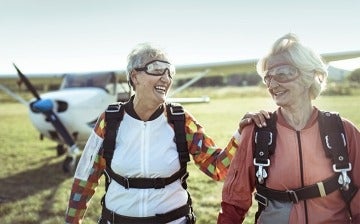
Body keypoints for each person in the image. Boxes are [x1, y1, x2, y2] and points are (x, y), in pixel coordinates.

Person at [64, 42, 252, 224]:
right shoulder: (110, 120)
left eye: (169, 72)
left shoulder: (181, 120)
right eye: (157, 69)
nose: (166, 78)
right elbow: (84, 179)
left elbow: (218, 169)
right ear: (134, 76)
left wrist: (240, 135)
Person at [217, 33, 360, 223]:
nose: (273, 84)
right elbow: (233, 203)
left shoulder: (343, 131)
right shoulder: (257, 132)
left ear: (309, 76)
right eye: (268, 78)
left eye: (282, 74)